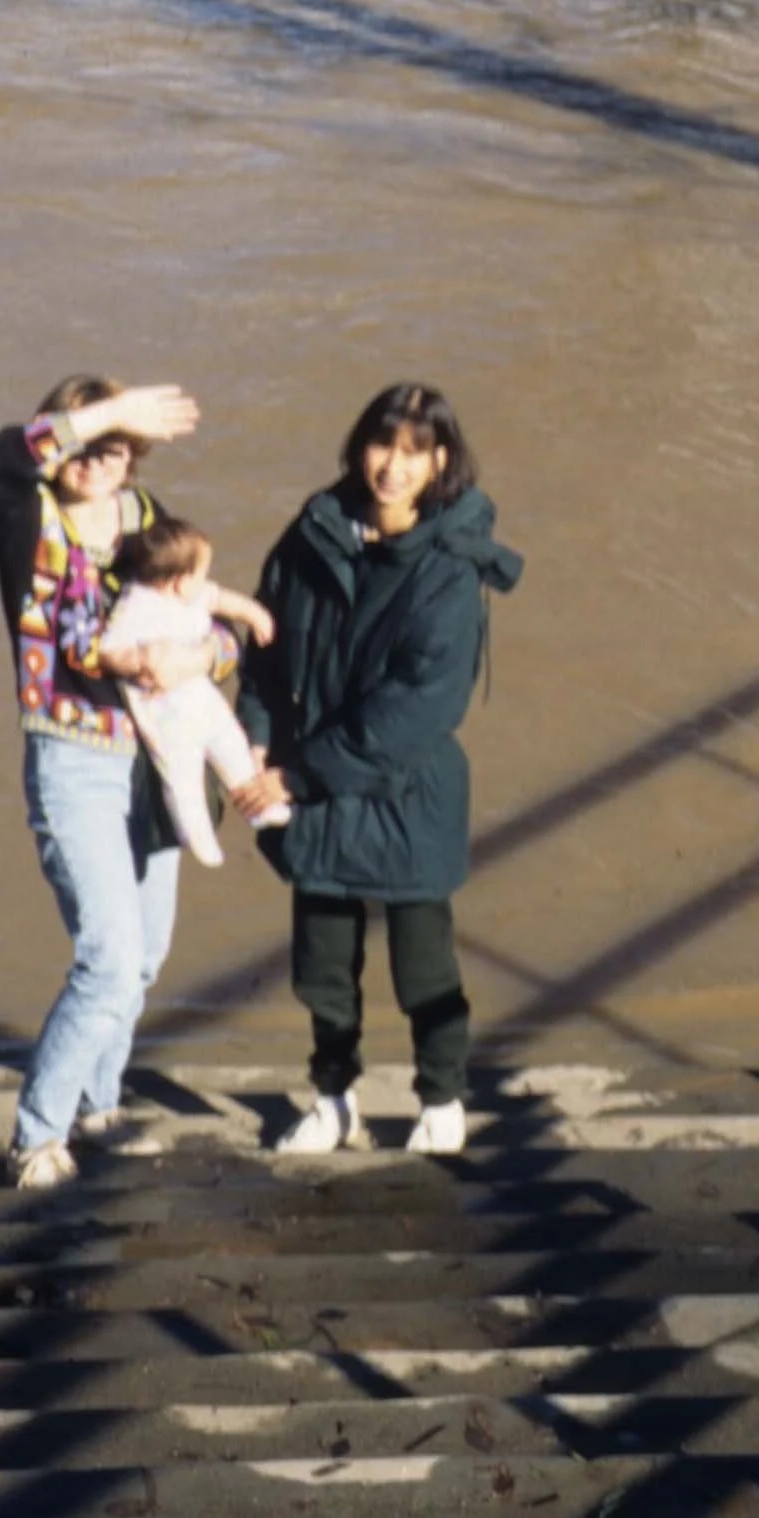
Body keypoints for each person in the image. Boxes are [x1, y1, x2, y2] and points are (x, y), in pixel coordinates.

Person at [233, 380, 523, 1158]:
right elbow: (264, 649)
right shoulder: (315, 532)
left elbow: (418, 710)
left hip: (405, 796)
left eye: (413, 452)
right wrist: (254, 739)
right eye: (381, 445)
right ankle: (332, 1101)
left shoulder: (449, 569)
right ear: (359, 446)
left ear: (440, 462)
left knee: (425, 968)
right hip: (314, 794)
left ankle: (442, 1098)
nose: (393, 466)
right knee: (321, 970)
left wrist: (296, 775)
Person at [0, 374, 228, 1191]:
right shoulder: (25, 516)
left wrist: (206, 655)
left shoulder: (148, 521)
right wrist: (104, 413)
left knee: (145, 956)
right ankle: (36, 1136)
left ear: (135, 459)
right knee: (109, 959)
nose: (98, 459)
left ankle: (97, 1109)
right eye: (85, 442)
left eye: (117, 448)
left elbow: (209, 617)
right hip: (72, 758)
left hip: (154, 762)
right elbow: (1, 460)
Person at [101, 516, 291, 866]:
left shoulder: (193, 593)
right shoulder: (135, 606)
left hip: (199, 693)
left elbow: (222, 599)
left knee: (232, 742)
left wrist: (255, 615)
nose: (207, 581)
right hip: (162, 706)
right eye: (202, 573)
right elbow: (109, 650)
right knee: (181, 770)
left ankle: (257, 806)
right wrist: (141, 660)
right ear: (178, 582)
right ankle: (195, 832)